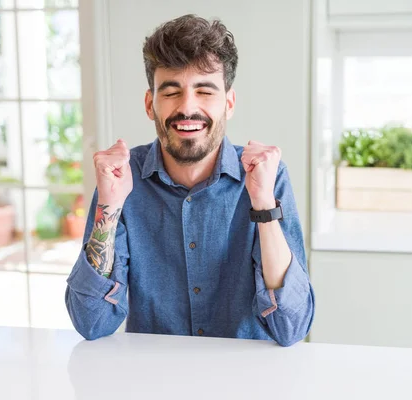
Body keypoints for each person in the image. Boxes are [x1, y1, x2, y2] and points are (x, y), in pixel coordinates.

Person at [65, 14, 315, 347]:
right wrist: (109, 206)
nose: (187, 107)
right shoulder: (121, 180)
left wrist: (263, 205)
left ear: (228, 103)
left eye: (204, 91)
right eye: (171, 92)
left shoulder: (267, 177)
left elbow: (291, 326)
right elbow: (91, 322)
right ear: (150, 104)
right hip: (155, 380)